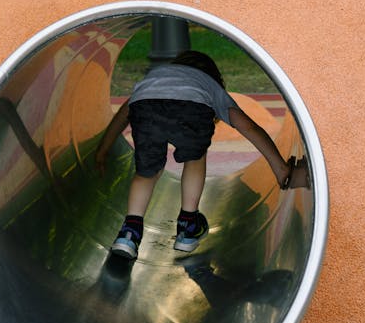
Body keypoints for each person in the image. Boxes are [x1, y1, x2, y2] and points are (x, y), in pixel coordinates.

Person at [95, 49, 309, 260]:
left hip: (145, 105)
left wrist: (102, 151)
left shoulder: (156, 78)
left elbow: (124, 115)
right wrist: (282, 170)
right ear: (213, 76)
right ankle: (188, 225)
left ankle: (129, 234)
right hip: (193, 108)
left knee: (147, 172)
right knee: (194, 158)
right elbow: (249, 128)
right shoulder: (209, 85)